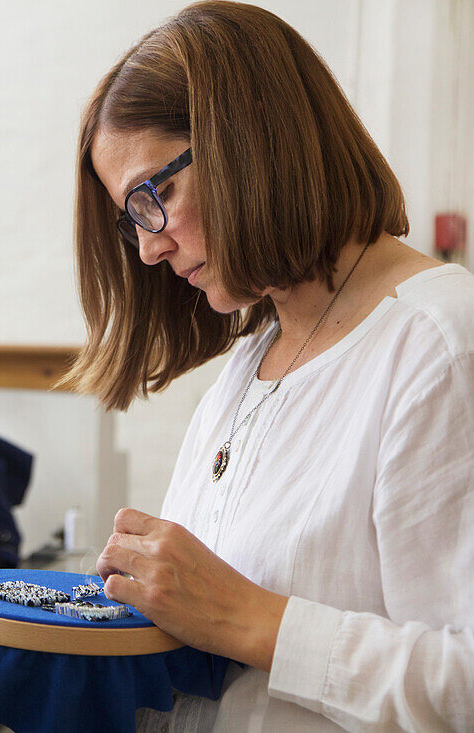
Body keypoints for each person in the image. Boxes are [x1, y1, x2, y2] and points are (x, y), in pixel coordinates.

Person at [60, 1, 474, 730]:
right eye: (133, 220)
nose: (149, 247)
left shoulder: (440, 345)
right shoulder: (252, 361)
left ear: (248, 143)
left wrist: (254, 621)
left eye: (155, 195)